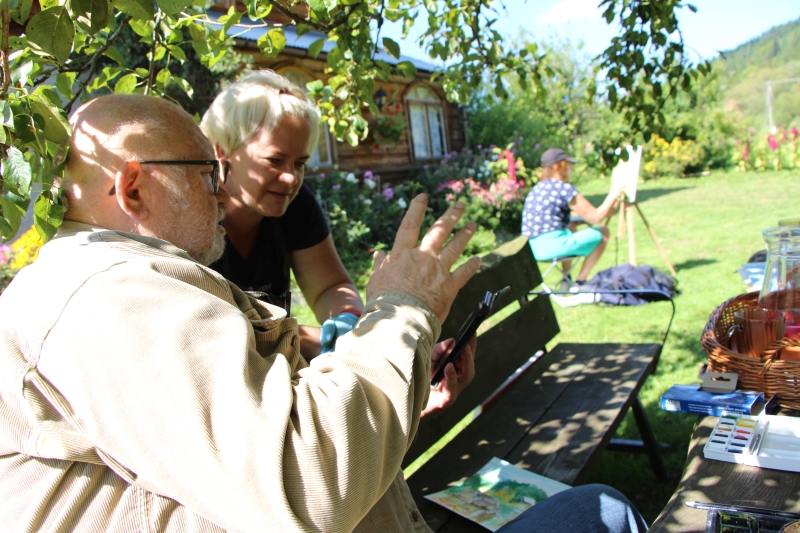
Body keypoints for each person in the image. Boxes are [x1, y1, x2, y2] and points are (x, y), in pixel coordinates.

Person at [0, 95, 646, 533]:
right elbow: (304, 479)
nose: (219, 192)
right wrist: (403, 308)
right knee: (601, 513)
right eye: (204, 173)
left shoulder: (129, 281)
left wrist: (405, 365)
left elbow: (264, 404)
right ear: (133, 186)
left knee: (601, 510)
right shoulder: (110, 296)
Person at [200, 70, 359, 357]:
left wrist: (346, 319)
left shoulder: (296, 206)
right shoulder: (189, 216)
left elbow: (331, 287)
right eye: (275, 160)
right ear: (223, 151)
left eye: (300, 163)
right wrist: (323, 343)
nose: (291, 179)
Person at [521, 147, 623, 286]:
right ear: (558, 166)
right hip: (552, 247)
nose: (571, 168)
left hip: (531, 249)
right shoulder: (563, 188)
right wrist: (614, 193)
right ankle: (581, 281)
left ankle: (566, 280)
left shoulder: (538, 188)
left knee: (570, 226)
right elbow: (596, 217)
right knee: (604, 231)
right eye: (568, 164)